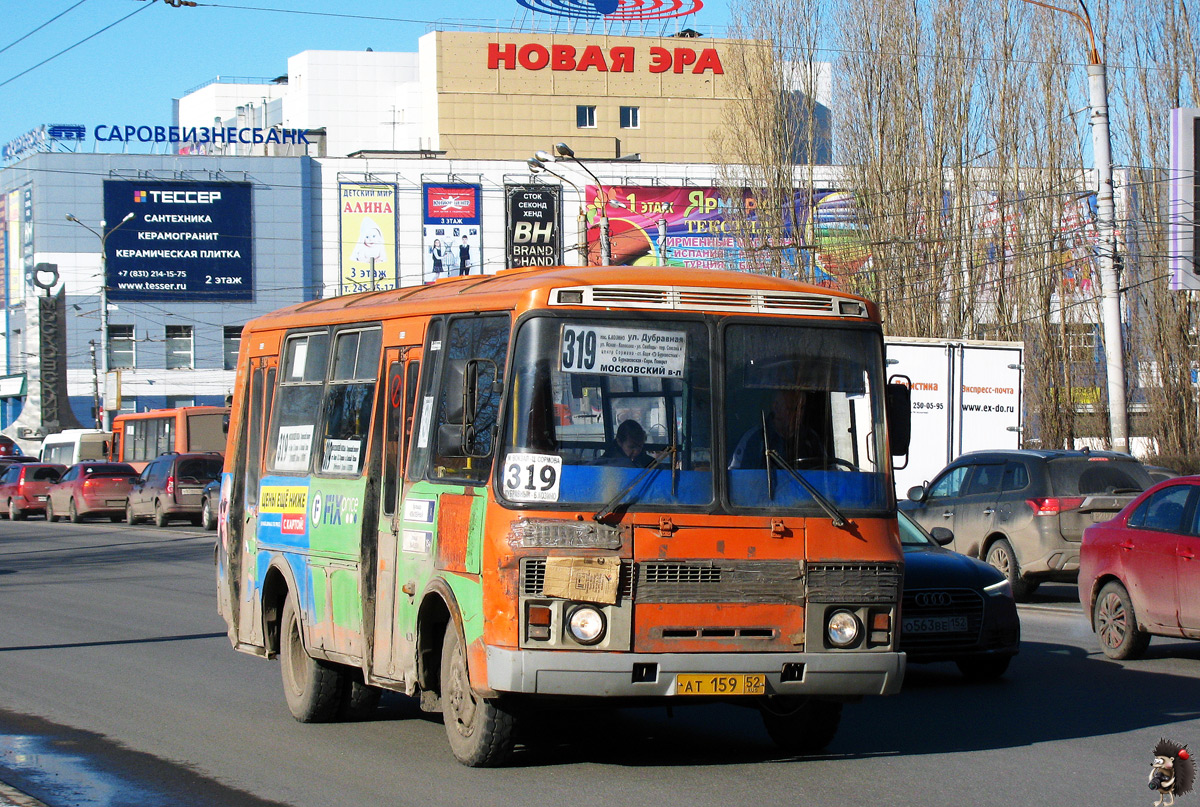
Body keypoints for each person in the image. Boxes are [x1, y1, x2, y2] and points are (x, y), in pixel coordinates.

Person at [729, 388, 824, 469]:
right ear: (776, 408)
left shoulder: (811, 439)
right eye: (792, 409)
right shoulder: (755, 440)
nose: (798, 415)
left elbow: (828, 475)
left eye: (801, 408)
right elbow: (738, 478)